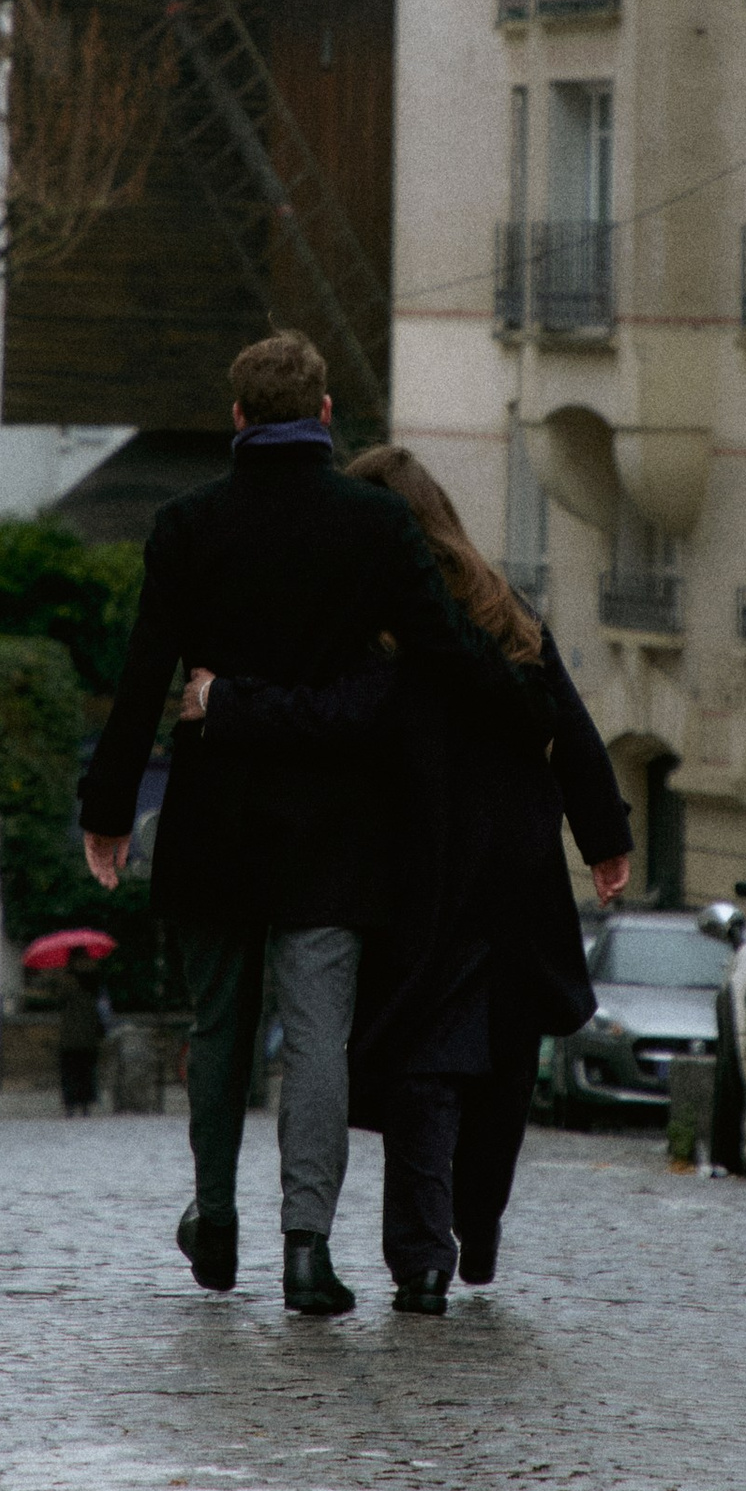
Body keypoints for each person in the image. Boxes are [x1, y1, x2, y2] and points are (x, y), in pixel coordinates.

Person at [79, 328, 544, 1315]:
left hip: (214, 818)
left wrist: (109, 808)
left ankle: (213, 1218)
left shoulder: (185, 526)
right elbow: (445, 652)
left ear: (236, 416)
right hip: (333, 830)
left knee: (219, 1028)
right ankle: (305, 1248)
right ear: (326, 415)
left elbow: (141, 680)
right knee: (318, 1042)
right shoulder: (374, 528)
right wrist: (527, 717)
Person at [192, 443, 630, 1312]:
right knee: (498, 1062)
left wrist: (226, 702)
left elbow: (336, 716)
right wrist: (604, 836)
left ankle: (429, 1252)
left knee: (430, 1065)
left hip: (424, 871)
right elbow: (569, 726)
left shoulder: (390, 627)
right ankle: (469, 1233)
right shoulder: (502, 610)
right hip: (516, 870)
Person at [54, 957, 105, 1117]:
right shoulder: (94, 983)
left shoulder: (67, 982)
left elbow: (58, 1000)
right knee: (86, 1071)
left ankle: (71, 1104)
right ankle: (85, 1104)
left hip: (70, 1037)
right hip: (88, 1036)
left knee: (70, 1072)